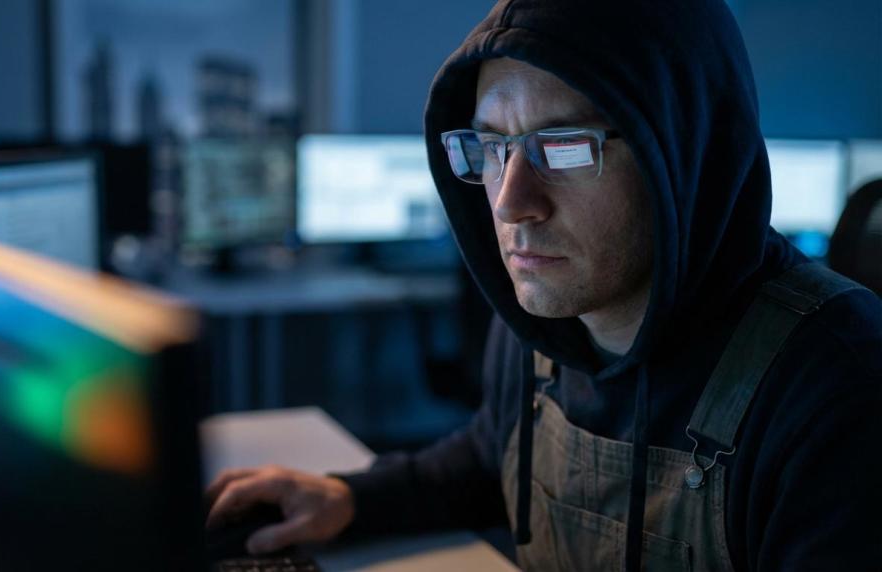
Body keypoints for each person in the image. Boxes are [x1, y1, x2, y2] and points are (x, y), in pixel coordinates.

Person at [205, 0, 882, 569]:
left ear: (684, 150)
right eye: (493, 147)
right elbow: (485, 456)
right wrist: (352, 498)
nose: (509, 202)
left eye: (564, 145)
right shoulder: (541, 325)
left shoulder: (837, 390)